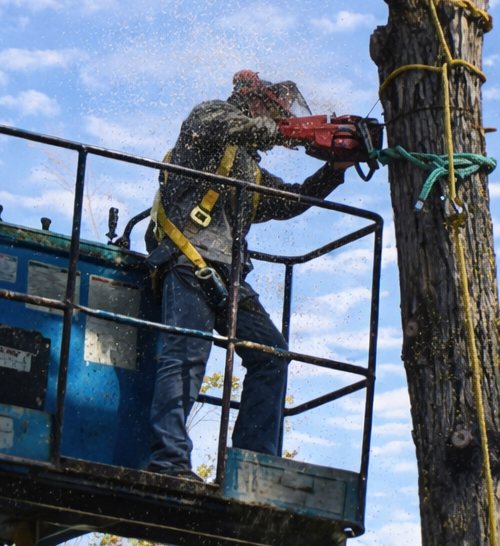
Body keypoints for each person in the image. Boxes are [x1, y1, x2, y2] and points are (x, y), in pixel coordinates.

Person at [143, 70, 347, 482]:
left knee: (272, 356)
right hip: (188, 260)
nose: (277, 118)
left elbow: (289, 202)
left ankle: (254, 466)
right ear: (252, 98)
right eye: (273, 110)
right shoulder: (210, 118)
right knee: (185, 357)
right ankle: (169, 462)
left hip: (228, 273)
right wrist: (297, 134)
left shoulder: (249, 170)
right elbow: (244, 128)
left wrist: (336, 168)